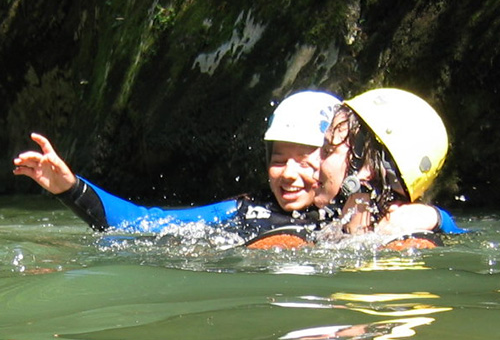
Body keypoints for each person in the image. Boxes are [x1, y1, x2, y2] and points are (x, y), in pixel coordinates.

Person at [13, 91, 341, 248]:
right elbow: (138, 223)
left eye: (305, 160)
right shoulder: (247, 212)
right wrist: (69, 187)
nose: (287, 174)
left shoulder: (361, 214)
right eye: (279, 159)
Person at [312, 88, 466, 244]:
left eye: (327, 150)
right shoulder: (323, 225)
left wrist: (438, 219)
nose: (314, 159)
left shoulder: (408, 242)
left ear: (368, 171)